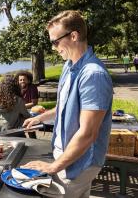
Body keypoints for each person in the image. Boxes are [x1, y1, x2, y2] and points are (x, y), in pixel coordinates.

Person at [22, 10, 113, 197]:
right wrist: (41, 117)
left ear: (73, 36)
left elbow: (88, 133)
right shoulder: (69, 66)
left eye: (55, 42)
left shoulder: (92, 74)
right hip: (65, 156)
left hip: (79, 163)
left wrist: (54, 166)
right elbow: (64, 107)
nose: (54, 48)